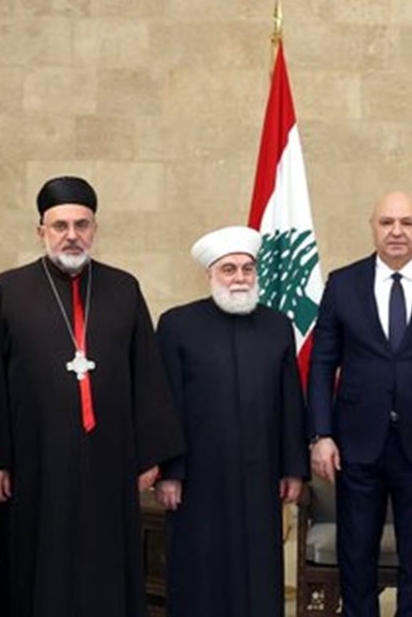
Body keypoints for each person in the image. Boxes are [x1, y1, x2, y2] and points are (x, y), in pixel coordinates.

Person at [0, 175, 185, 617]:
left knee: (104, 562)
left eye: (82, 224)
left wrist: (150, 454)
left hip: (109, 460)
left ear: (95, 228)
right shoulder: (8, 289)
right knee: (35, 564)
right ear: (41, 230)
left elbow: (146, 371)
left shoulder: (124, 288)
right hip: (34, 461)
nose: (71, 235)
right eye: (60, 225)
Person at [307, 191, 412, 617]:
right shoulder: (342, 283)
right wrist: (321, 434)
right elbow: (322, 363)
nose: (397, 232)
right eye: (387, 222)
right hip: (356, 444)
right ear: (373, 227)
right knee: (356, 556)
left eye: (407, 222)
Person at [153, 225, 309, 617]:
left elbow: (290, 401)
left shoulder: (277, 325)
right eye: (229, 269)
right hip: (198, 479)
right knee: (201, 571)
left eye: (247, 269)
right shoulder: (177, 324)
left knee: (259, 570)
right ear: (210, 274)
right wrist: (170, 473)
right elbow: (165, 404)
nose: (239, 278)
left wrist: (293, 468)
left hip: (261, 475)